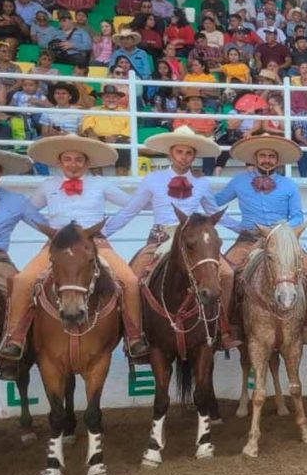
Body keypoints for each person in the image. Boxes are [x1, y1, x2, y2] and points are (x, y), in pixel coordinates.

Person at [0, 136, 147, 375]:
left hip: (94, 244)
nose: (73, 164)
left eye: (78, 160)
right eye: (68, 159)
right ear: (59, 162)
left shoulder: (101, 184)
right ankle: (15, 338)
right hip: (57, 245)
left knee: (129, 281)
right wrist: (47, 228)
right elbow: (26, 210)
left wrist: (107, 229)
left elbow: (132, 205)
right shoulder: (48, 185)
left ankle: (134, 337)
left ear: (86, 163)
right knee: (23, 280)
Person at [102, 126, 243, 350]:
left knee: (226, 273)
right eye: (180, 152)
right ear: (171, 153)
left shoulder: (202, 183)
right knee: (133, 277)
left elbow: (214, 212)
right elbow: (130, 210)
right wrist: (102, 234)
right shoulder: (153, 179)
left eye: (189, 153)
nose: (184, 157)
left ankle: (219, 329)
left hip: (192, 240)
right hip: (161, 236)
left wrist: (242, 230)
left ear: (194, 156)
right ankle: (136, 335)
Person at [217, 134, 307, 342]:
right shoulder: (239, 181)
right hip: (247, 239)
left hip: (282, 241)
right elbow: (214, 203)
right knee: (227, 274)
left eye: (271, 156)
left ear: (278, 160)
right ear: (255, 158)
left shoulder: (289, 185)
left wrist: (279, 233)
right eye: (263, 155)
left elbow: (297, 216)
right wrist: (234, 226)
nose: (267, 159)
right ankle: (229, 326)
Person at [0, 145, 47, 380]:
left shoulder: (17, 201)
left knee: (20, 293)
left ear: (0, 172)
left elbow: (42, 225)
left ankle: (10, 353)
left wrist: (74, 234)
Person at [80, 85, 131, 177]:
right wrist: (93, 136)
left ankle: (121, 181)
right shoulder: (94, 110)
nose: (111, 99)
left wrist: (116, 137)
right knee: (91, 145)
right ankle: (98, 180)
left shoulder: (126, 112)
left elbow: (129, 130)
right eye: (107, 97)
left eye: (114, 97)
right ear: (102, 98)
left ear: (119, 98)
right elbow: (87, 126)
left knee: (124, 146)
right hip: (97, 138)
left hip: (119, 139)